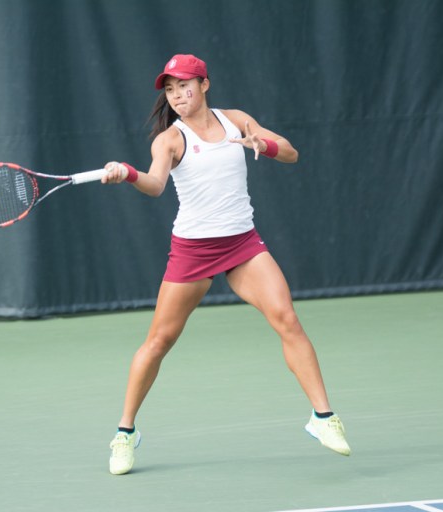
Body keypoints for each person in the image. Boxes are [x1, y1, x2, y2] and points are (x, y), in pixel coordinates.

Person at [100, 54, 351, 475]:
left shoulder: (236, 120)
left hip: (242, 244)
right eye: (170, 89)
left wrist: (262, 144)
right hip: (193, 250)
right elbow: (156, 185)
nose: (178, 95)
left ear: (205, 84)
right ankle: (125, 434)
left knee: (287, 319)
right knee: (159, 342)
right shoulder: (169, 140)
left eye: (185, 86)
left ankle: (323, 418)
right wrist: (126, 173)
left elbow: (291, 153)